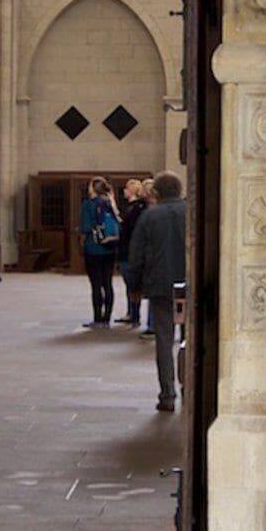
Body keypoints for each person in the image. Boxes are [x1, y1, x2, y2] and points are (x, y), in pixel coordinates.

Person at [124, 171, 191, 415]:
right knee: (191, 339)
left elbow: (136, 253)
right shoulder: (191, 212)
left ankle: (167, 395)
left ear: (156, 193)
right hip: (190, 284)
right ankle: (190, 388)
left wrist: (134, 285)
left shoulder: (150, 216)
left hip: (161, 285)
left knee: (164, 340)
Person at [77, 180, 124, 330]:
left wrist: (82, 242)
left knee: (96, 284)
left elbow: (85, 227)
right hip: (109, 247)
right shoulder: (109, 202)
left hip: (93, 246)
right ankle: (107, 318)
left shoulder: (88, 204)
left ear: (93, 188)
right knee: (107, 283)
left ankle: (98, 318)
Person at [120, 178, 154, 330]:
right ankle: (135, 315)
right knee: (132, 286)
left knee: (137, 287)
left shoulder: (142, 210)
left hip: (139, 252)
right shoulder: (141, 209)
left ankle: (142, 320)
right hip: (135, 251)